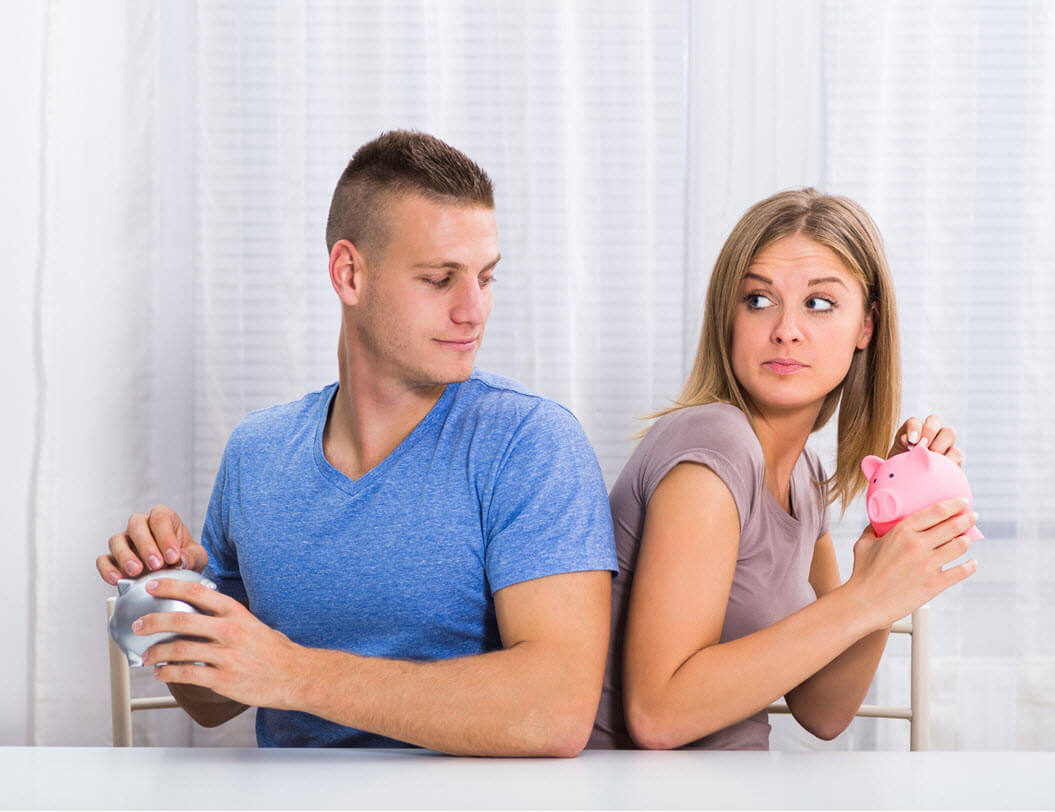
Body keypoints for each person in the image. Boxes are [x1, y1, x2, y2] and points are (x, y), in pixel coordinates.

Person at [96, 130, 617, 756]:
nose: (474, 310)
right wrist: (169, 595)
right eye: (439, 278)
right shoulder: (256, 455)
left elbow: (554, 711)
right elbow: (215, 702)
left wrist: (296, 674)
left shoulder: (529, 444)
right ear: (349, 273)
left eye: (485, 277)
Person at [589, 188, 978, 750]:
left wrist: (889, 550)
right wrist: (863, 598)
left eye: (819, 303)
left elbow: (823, 709)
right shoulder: (714, 443)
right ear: (728, 315)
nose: (786, 330)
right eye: (758, 299)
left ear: (866, 327)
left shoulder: (804, 476)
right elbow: (657, 712)